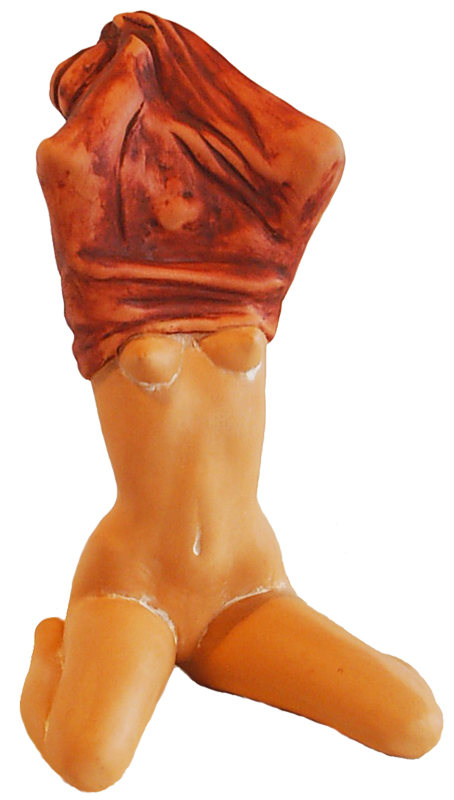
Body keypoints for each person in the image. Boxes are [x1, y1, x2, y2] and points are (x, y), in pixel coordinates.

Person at [21, 12, 442, 792]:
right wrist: (125, 63)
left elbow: (318, 152)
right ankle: (55, 648)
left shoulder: (250, 252)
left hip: (244, 583)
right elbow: (68, 160)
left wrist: (176, 61)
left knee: (417, 725)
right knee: (88, 762)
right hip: (134, 581)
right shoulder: (99, 273)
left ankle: (259, 663)